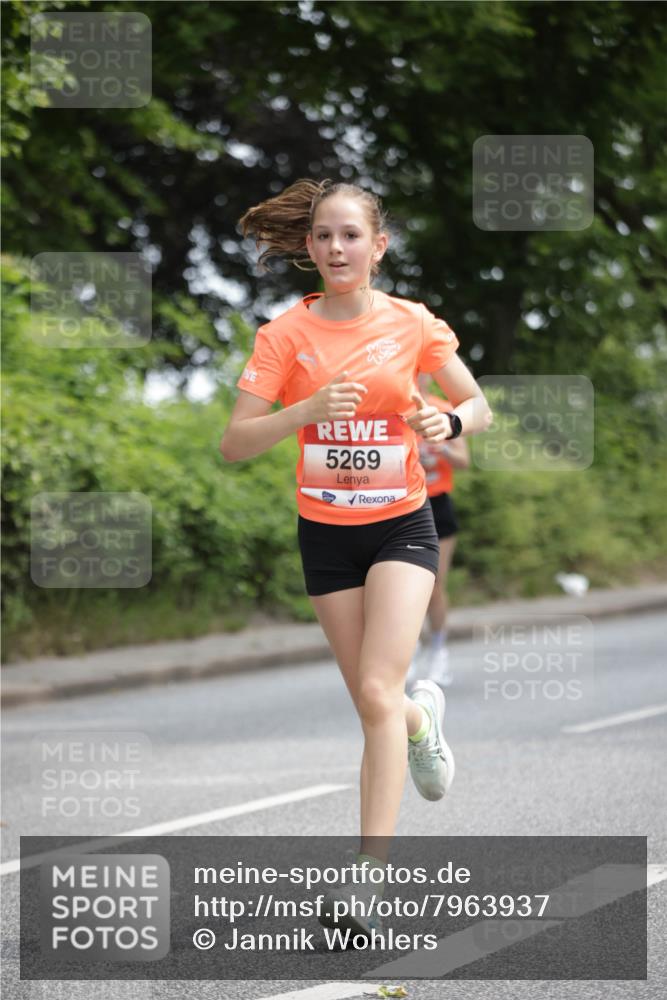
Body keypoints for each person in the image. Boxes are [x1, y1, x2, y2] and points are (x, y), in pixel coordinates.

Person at [220, 178, 491, 936]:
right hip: (326, 535)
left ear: (378, 245)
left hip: (402, 526)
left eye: (349, 235)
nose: (335, 248)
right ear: (307, 249)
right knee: (377, 701)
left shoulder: (411, 323)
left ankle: (364, 886)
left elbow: (477, 404)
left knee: (374, 687)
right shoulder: (283, 336)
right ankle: (421, 717)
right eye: (321, 237)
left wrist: (445, 419)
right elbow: (235, 442)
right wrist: (303, 412)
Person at [408, 372, 470, 688]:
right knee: (400, 587)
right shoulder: (391, 411)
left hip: (437, 504)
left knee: (433, 585)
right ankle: (410, 648)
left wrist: (440, 445)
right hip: (400, 506)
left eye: (419, 375)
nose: (415, 380)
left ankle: (439, 652)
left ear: (428, 379)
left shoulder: (443, 411)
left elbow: (463, 460)